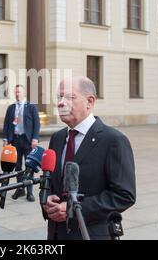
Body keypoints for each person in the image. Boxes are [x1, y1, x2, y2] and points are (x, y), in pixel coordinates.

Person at [42, 76, 136, 240]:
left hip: (90, 234)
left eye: (70, 97)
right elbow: (51, 182)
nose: (61, 103)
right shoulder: (57, 138)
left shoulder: (113, 140)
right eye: (59, 97)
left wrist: (74, 209)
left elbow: (124, 195)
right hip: (56, 234)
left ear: (90, 102)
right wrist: (46, 200)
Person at [2, 85, 40, 202]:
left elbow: (36, 124)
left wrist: (35, 138)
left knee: (29, 166)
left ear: (24, 93)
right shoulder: (11, 108)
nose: (17, 94)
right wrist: (5, 139)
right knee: (17, 167)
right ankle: (20, 189)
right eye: (16, 92)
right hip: (15, 140)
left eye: (19, 92)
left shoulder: (31, 107)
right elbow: (7, 124)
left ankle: (29, 192)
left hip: (28, 141)